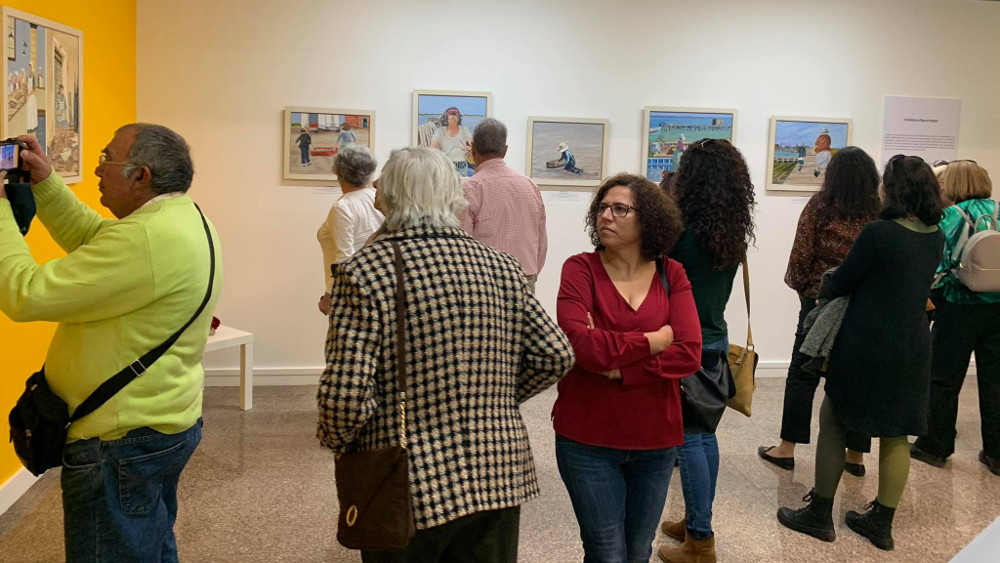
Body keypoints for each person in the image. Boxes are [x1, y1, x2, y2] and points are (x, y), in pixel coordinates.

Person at [317, 147, 574, 563]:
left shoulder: (364, 272)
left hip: (407, 478)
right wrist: (495, 399)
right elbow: (555, 354)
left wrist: (338, 441)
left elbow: (345, 398)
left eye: (383, 182)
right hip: (498, 471)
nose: (377, 189)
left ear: (393, 197)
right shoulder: (501, 266)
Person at [0, 124, 222, 561]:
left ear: (140, 176)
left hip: (121, 441)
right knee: (149, 545)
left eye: (106, 157)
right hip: (159, 423)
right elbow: (95, 237)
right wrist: (46, 182)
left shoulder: (147, 238)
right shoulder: (179, 216)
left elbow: (22, 293)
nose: (97, 169)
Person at [777, 155, 943, 552]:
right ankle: (881, 523)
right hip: (913, 342)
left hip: (867, 339)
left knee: (834, 415)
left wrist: (828, 282)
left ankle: (819, 514)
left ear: (896, 188)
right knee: (896, 432)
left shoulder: (879, 233)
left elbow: (845, 280)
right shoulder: (934, 234)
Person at [554, 173, 701, 563]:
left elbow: (689, 352)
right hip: (587, 437)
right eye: (602, 207)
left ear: (648, 220)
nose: (606, 216)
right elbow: (580, 347)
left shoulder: (673, 274)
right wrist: (652, 341)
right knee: (607, 554)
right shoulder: (580, 269)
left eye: (620, 209)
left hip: (656, 438)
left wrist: (622, 368)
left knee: (637, 552)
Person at [656, 139, 756, 563]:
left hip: (683, 343)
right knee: (704, 438)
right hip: (714, 339)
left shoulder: (682, 233)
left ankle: (700, 539)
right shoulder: (731, 232)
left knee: (690, 442)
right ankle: (696, 517)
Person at [759, 147, 881, 476]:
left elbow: (801, 254)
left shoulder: (822, 206)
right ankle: (855, 456)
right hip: (862, 305)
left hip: (819, 302)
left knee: (803, 373)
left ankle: (787, 448)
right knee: (858, 379)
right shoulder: (879, 211)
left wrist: (805, 292)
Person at [912, 160, 1000, 476]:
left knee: (945, 378)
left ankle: (935, 446)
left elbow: (940, 266)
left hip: (959, 306)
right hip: (998, 309)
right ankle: (996, 453)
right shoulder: (999, 210)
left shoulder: (951, 216)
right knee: (995, 381)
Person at [460, 118, 547, 292]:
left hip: (484, 284)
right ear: (505, 150)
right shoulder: (530, 186)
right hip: (524, 280)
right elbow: (541, 242)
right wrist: (531, 274)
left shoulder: (470, 188)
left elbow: (462, 246)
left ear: (473, 148)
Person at [316, 145, 383, 315]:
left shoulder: (343, 207)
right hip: (378, 285)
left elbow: (343, 259)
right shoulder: (377, 198)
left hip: (350, 293)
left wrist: (329, 297)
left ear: (338, 173)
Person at [430, 107, 473, 176]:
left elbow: (472, 145)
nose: (452, 121)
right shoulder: (440, 132)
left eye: (454, 119)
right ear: (446, 119)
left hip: (462, 165)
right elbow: (432, 150)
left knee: (473, 174)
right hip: (446, 165)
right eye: (450, 119)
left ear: (458, 119)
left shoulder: (464, 130)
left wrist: (470, 148)